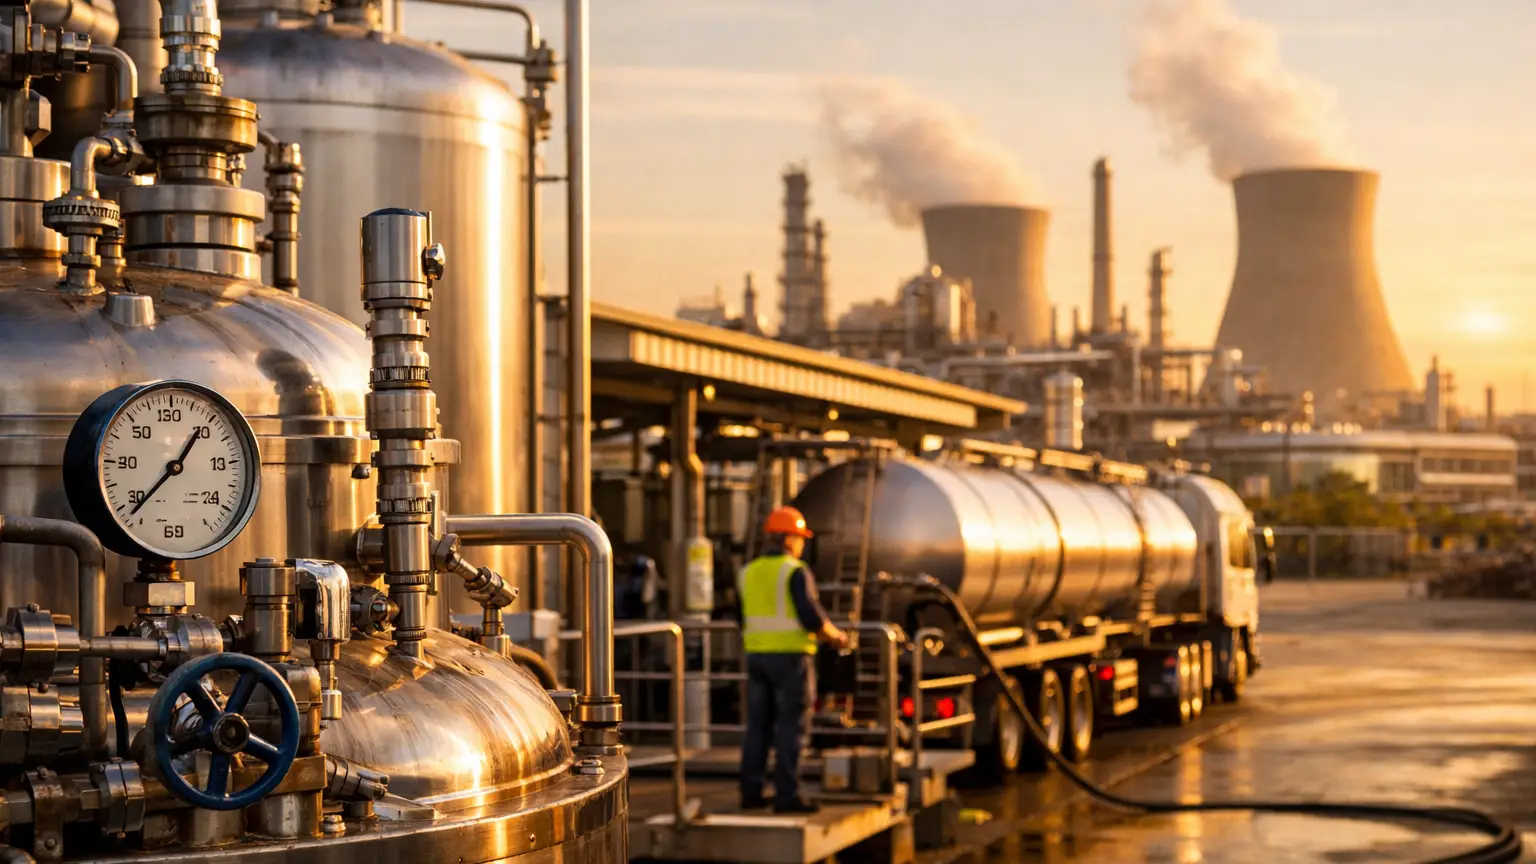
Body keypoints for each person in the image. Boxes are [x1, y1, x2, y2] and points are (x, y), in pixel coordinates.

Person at [736, 506, 849, 814]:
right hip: (790, 659)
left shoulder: (748, 571)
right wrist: (837, 636)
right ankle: (787, 796)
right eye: (800, 538)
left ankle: (751, 793)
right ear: (788, 539)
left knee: (757, 726)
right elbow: (811, 617)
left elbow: (739, 616)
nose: (802, 544)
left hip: (757, 657)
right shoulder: (794, 570)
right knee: (792, 726)